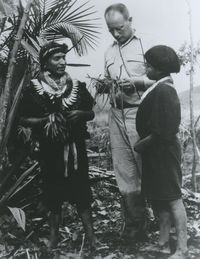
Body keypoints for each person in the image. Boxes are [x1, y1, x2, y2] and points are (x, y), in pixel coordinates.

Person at [18, 41, 96, 249]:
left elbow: (91, 113)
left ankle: (91, 237)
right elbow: (23, 118)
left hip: (76, 149)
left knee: (81, 190)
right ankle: (53, 238)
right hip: (49, 151)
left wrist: (80, 114)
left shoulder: (77, 86)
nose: (62, 62)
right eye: (57, 58)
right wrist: (44, 121)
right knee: (53, 192)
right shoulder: (34, 89)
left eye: (63, 57)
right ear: (45, 63)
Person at [104, 3, 154, 240]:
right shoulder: (108, 52)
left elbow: (163, 78)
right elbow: (106, 80)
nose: (115, 34)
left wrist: (138, 81)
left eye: (119, 28)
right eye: (111, 30)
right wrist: (105, 85)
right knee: (124, 172)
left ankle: (162, 223)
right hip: (116, 115)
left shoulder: (146, 45)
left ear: (130, 20)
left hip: (139, 114)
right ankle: (135, 228)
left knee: (148, 168)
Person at [135, 45, 188, 259]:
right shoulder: (159, 86)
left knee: (173, 198)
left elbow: (164, 129)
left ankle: (183, 249)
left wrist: (141, 145)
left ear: (160, 68)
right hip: (156, 152)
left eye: (149, 65)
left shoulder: (165, 90)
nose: (146, 68)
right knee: (160, 198)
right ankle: (163, 244)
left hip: (163, 151)